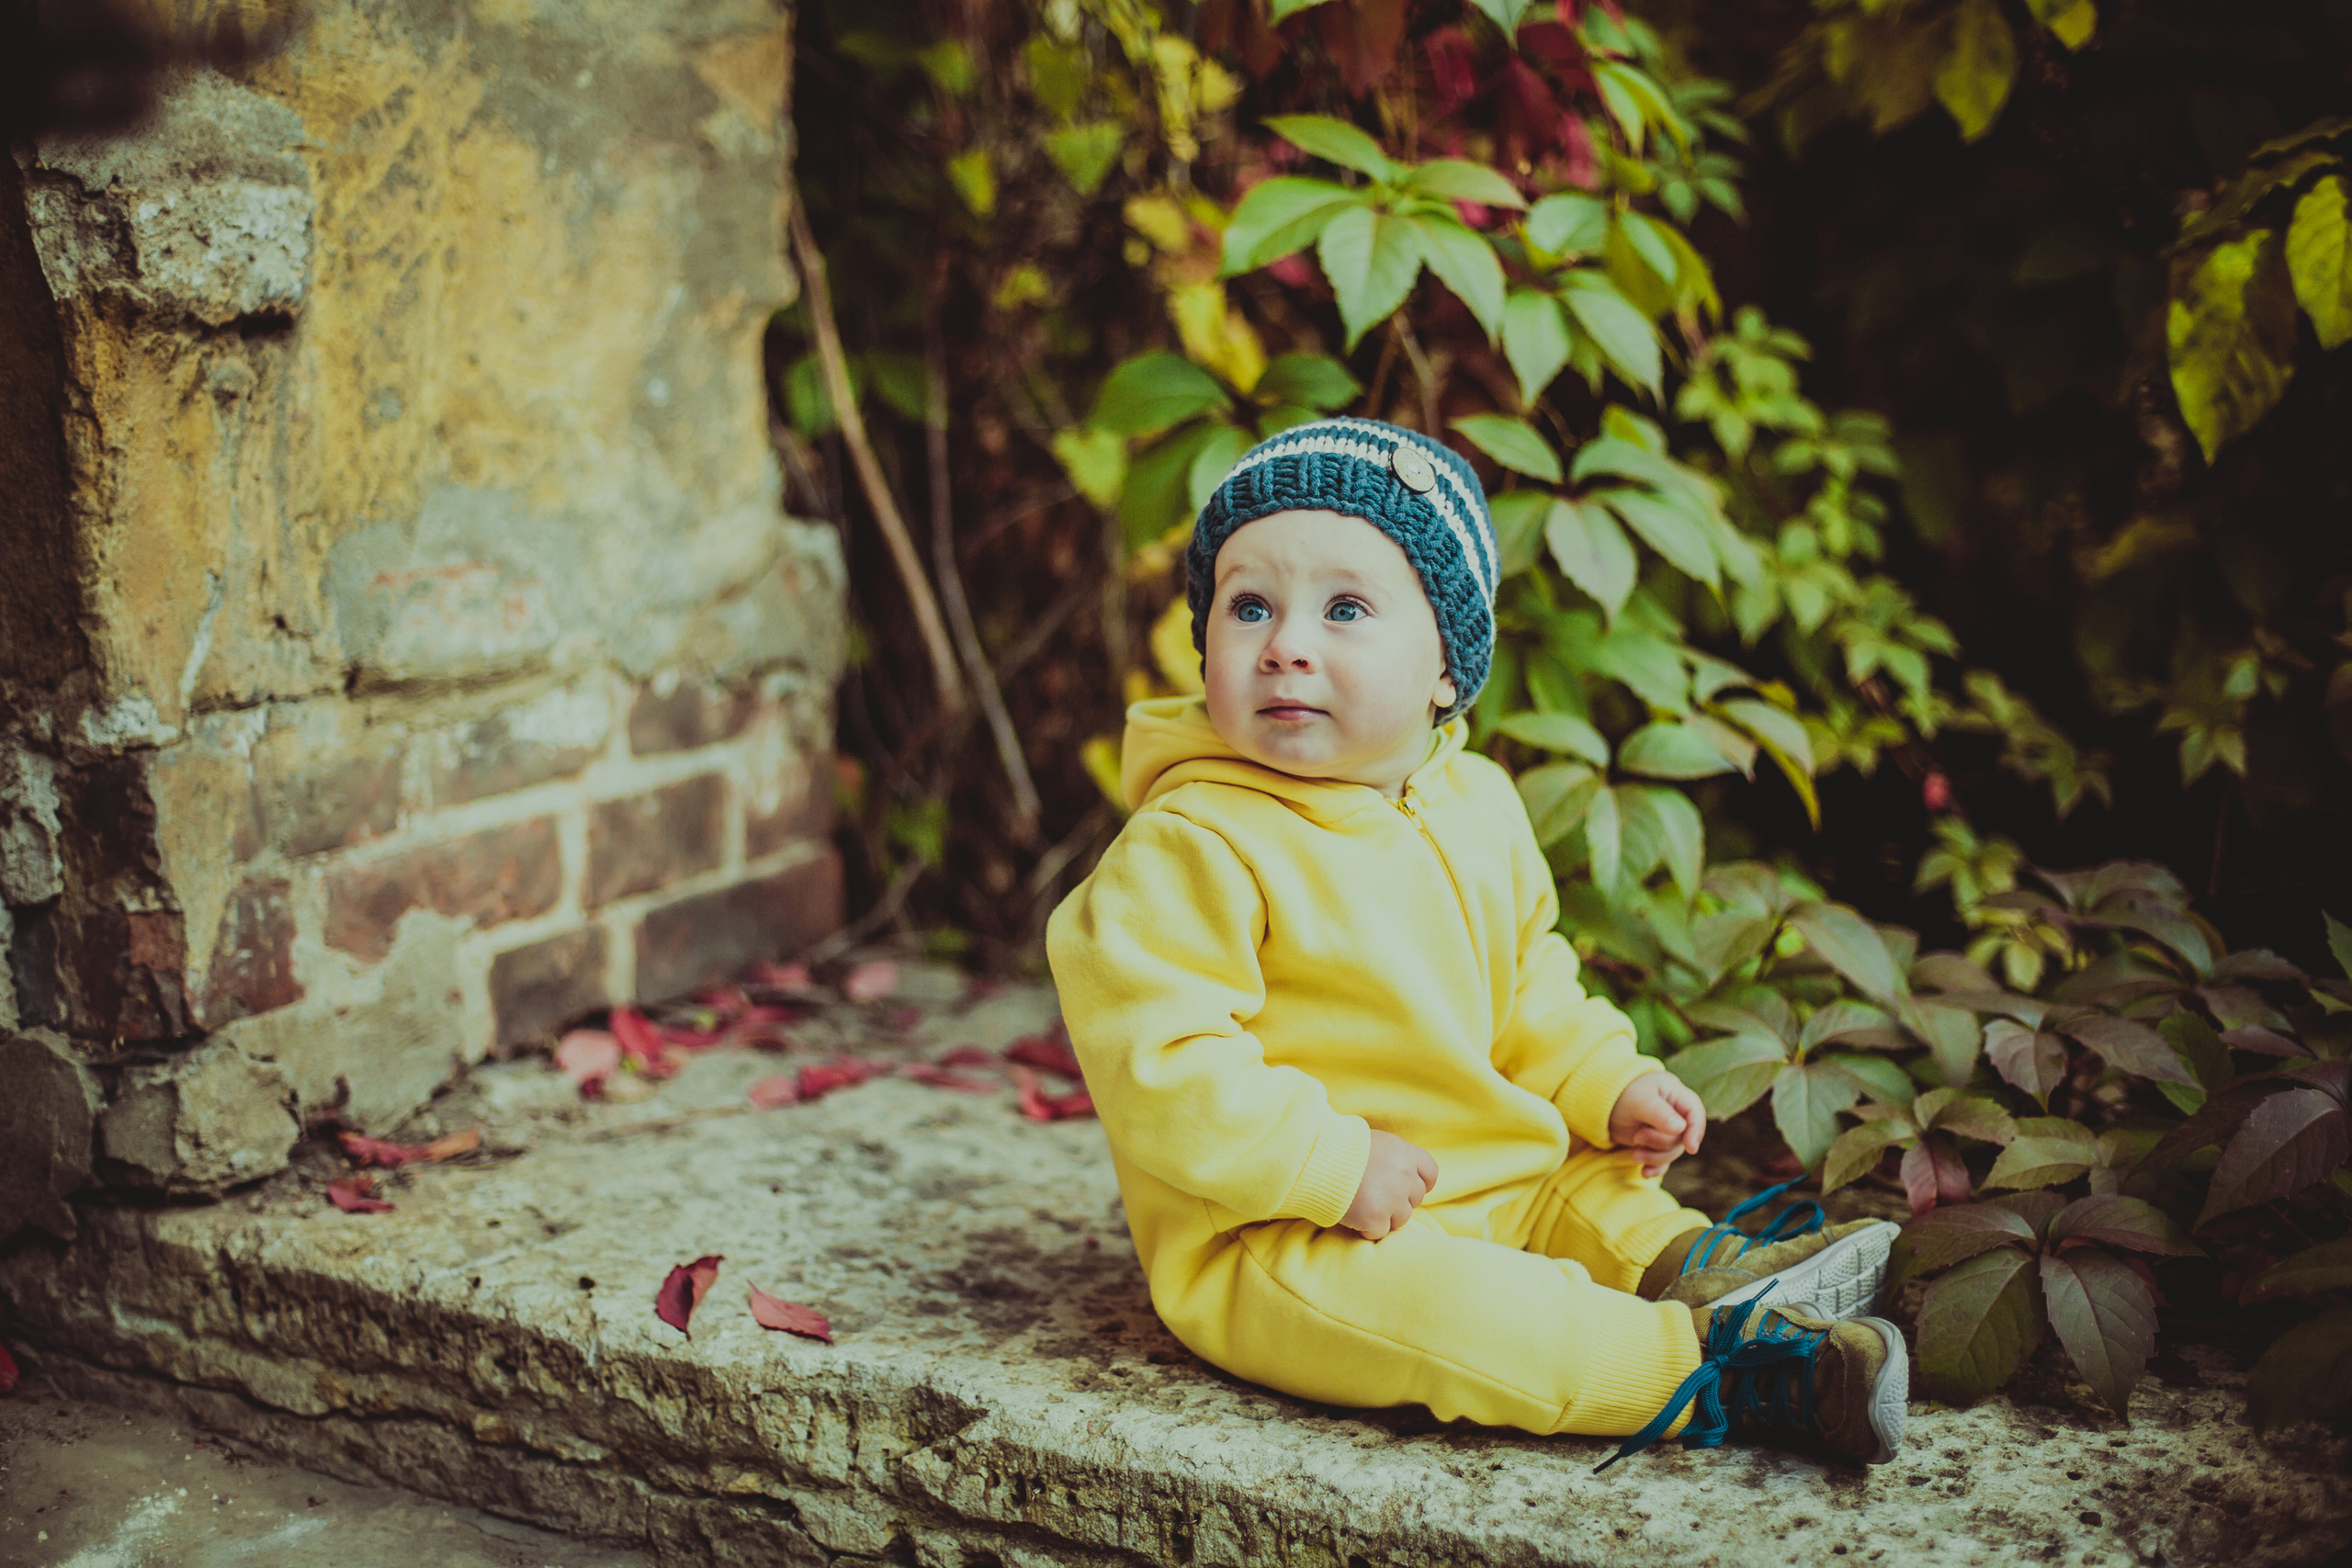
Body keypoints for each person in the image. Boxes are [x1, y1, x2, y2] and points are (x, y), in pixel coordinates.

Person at [1046, 417, 1908, 1468]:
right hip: (1289, 1230)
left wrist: (1604, 1080)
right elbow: (1159, 1061)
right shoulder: (1191, 844)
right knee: (1463, 1319)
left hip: (1491, 1169)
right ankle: (1727, 1369)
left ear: (1446, 670)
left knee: (1588, 1187)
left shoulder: (1477, 801)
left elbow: (1530, 979)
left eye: (1346, 607)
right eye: (1248, 606)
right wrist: (1330, 1162)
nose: (1284, 643)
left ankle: (1691, 1264)